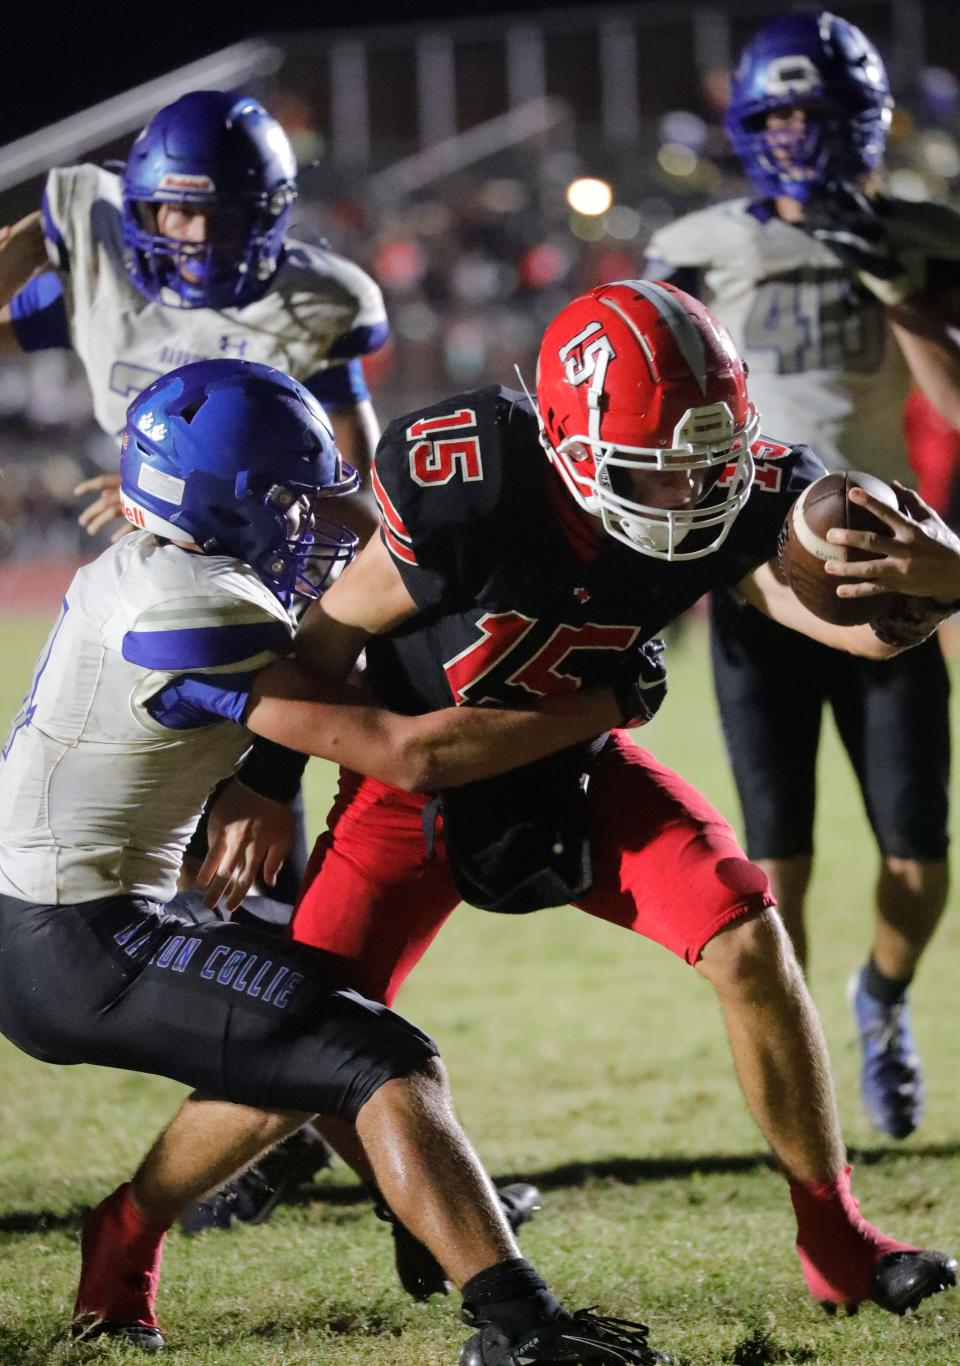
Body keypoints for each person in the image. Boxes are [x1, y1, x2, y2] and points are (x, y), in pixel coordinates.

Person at [233, 278, 960, 1323]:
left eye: (708, 469)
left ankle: (837, 1240)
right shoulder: (475, 484)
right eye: (654, 475)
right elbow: (329, 634)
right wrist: (263, 782)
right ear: (568, 445)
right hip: (408, 792)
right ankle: (127, 1252)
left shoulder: (726, 496)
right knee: (294, 1041)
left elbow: (858, 630)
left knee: (747, 936)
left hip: (578, 766)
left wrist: (945, 575)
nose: (690, 498)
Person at [0, 358, 672, 1365]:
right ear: (218, 497)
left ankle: (160, 1251)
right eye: (281, 496)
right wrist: (608, 702)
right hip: (78, 944)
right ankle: (520, 1328)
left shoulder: (158, 567)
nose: (304, 517)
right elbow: (411, 753)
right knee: (387, 1059)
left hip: (81, 915)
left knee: (324, 1036)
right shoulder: (196, 607)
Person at [643, 11, 960, 1140]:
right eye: (774, 113)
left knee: (919, 856)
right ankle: (809, 1058)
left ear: (862, 121)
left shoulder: (924, 234)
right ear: (745, 125)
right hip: (754, 579)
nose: (793, 133)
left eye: (814, 112)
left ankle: (881, 1000)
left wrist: (895, 284)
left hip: (890, 577)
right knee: (776, 855)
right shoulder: (699, 245)